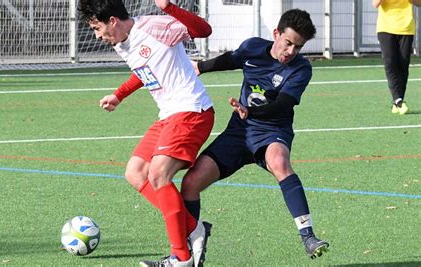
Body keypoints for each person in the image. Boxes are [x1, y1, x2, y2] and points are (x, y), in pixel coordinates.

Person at [180, 9, 330, 259]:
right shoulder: (253, 48)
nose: (291, 51)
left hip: (272, 131)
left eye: (298, 47)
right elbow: (232, 58)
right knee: (190, 184)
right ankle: (189, 249)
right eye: (288, 43)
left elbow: (283, 104)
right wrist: (201, 67)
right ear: (276, 34)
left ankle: (308, 237)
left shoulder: (301, 69)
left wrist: (250, 112)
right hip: (239, 132)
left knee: (280, 162)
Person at [78, 0, 214, 266]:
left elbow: (204, 30)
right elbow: (145, 70)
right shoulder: (121, 42)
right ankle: (194, 229)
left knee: (158, 174)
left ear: (113, 21)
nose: (97, 35)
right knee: (135, 172)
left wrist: (169, 7)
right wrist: (119, 95)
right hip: (169, 115)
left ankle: (181, 258)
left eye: (97, 28)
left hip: (191, 111)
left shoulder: (155, 26)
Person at [372, 0, 421, 115]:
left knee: (403, 65)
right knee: (390, 62)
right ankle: (398, 101)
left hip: (406, 28)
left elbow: (419, 3)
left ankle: (397, 102)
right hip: (385, 28)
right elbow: (375, 4)